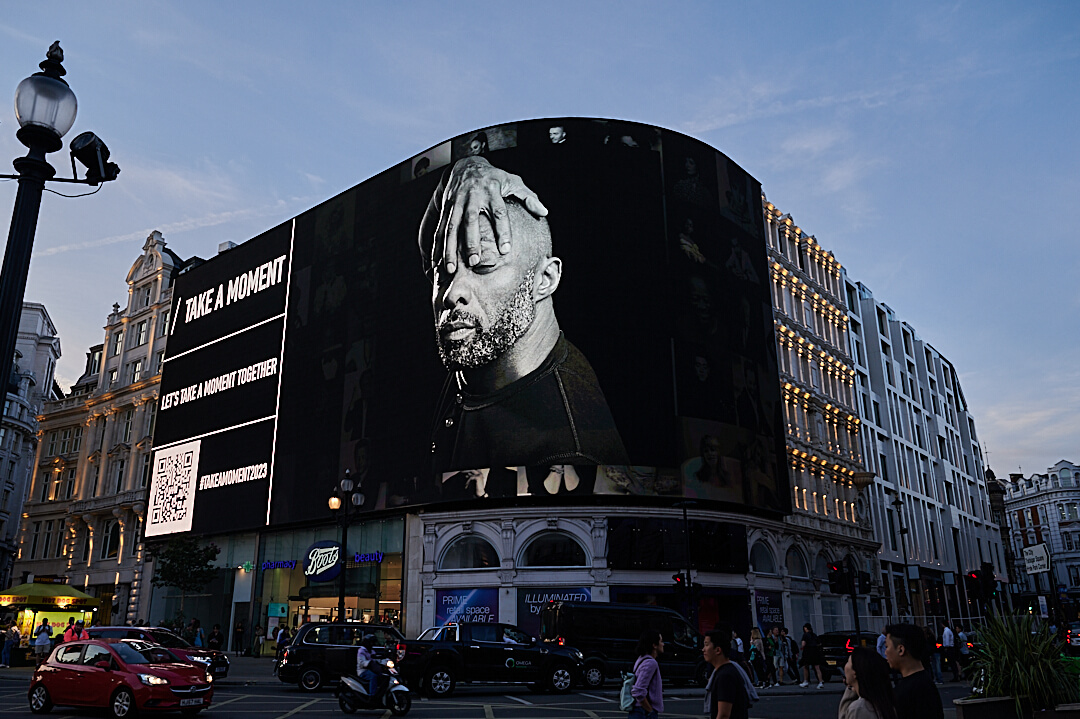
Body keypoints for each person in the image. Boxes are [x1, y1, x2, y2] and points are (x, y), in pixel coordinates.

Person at [420, 156, 629, 473]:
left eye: (483, 265)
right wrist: (467, 169)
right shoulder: (484, 341)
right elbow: (431, 242)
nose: (451, 292)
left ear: (544, 280)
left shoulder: (567, 457)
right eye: (444, 271)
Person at [884, 623, 944, 719]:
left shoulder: (913, 690)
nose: (885, 652)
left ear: (901, 650)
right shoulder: (924, 683)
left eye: (887, 646)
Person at [703, 624, 749, 719]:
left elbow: (724, 715)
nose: (703, 649)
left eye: (706, 645)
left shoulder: (725, 676)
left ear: (718, 650)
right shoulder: (723, 671)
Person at [839, 647, 897, 719]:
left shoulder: (858, 708)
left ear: (855, 672)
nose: (845, 666)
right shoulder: (885, 703)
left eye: (848, 662)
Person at [629, 629, 664, 718]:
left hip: (638, 710)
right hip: (643, 712)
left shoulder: (641, 659)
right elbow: (638, 691)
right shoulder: (651, 663)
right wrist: (650, 711)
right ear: (654, 645)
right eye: (661, 641)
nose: (663, 644)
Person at [799, 623, 825, 688]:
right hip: (815, 652)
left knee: (806, 667)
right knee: (817, 668)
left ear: (805, 628)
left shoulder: (805, 635)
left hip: (808, 652)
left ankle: (806, 681)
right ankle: (821, 682)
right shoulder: (814, 635)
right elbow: (819, 643)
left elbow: (803, 644)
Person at [356, 634, 379, 698]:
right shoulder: (361, 651)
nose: (372, 644)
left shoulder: (372, 651)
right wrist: (369, 663)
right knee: (373, 677)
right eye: (371, 642)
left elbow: (376, 658)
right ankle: (371, 695)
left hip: (372, 669)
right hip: (363, 671)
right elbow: (361, 663)